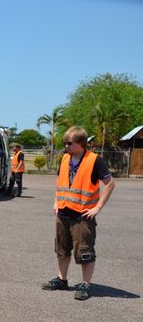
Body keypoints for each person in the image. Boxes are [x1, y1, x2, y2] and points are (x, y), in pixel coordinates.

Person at [42, 126, 115, 300]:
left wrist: (97, 207)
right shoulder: (65, 158)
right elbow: (60, 181)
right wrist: (55, 201)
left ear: (81, 143)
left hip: (82, 215)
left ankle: (85, 284)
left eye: (69, 143)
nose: (66, 146)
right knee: (61, 248)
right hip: (63, 212)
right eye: (65, 142)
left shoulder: (94, 160)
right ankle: (62, 279)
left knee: (84, 251)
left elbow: (110, 184)